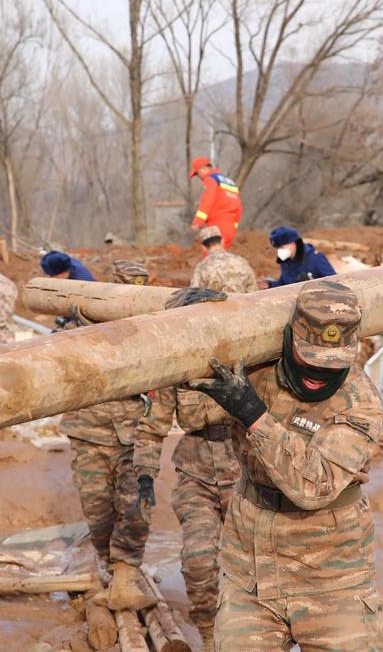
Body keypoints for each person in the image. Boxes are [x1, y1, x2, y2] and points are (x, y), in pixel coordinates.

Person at [191, 279, 383, 651]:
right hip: (250, 574)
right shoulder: (257, 370)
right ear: (288, 340)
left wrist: (253, 414)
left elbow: (315, 486)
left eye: (332, 365)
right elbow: (187, 397)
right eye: (309, 358)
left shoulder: (360, 404)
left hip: (332, 581)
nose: (318, 375)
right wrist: (193, 319)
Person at [133, 243, 248, 650]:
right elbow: (153, 424)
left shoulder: (262, 354)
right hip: (197, 475)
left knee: (254, 569)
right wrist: (145, 475)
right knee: (200, 561)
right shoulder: (179, 357)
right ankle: (213, 637)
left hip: (249, 478)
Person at [61, 259, 156, 612]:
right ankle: (108, 566)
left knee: (135, 508)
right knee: (98, 512)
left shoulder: (153, 328)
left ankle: (126, 575)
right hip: (89, 431)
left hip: (136, 433)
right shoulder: (84, 323)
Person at [188, 156, 243, 250]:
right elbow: (239, 207)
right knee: (223, 259)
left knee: (212, 259)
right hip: (230, 227)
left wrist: (198, 222)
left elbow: (207, 202)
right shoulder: (230, 182)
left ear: (204, 168)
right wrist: (234, 226)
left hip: (217, 226)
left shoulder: (210, 179)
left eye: (198, 173)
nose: (199, 176)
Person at [191, 225, 259, 294]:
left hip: (215, 304)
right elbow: (253, 292)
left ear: (203, 247)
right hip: (242, 304)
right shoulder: (241, 261)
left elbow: (194, 296)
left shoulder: (201, 267)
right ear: (222, 241)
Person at [266, 225, 336, 288]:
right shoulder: (285, 262)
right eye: (278, 248)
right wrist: (270, 285)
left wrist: (311, 284)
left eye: (282, 247)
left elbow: (334, 283)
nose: (279, 250)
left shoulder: (316, 258)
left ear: (293, 243)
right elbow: (284, 284)